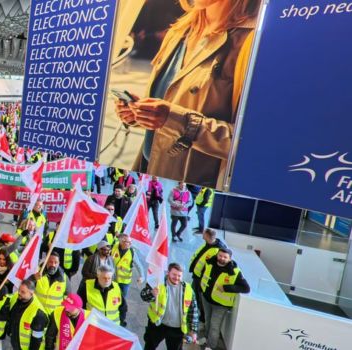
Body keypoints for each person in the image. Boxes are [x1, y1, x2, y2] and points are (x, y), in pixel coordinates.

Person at [112, 0, 259, 188]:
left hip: (192, 186)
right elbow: (170, 104)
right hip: (149, 169)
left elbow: (249, 144)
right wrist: (140, 113)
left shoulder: (251, 42)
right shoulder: (180, 31)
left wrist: (175, 120)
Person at [200, 248, 250, 350]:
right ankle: (205, 339)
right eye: (220, 256)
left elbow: (246, 288)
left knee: (214, 327)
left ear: (230, 259)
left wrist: (226, 288)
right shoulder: (210, 263)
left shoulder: (235, 272)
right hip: (206, 299)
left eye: (225, 257)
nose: (222, 258)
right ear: (217, 255)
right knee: (207, 321)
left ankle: (210, 346)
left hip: (220, 305)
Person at [141, 263, 199, 350]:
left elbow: (193, 311)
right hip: (158, 325)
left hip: (177, 329)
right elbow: (143, 296)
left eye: (179, 275)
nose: (176, 278)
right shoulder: (158, 283)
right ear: (168, 273)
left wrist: (193, 331)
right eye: (174, 274)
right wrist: (152, 293)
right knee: (149, 347)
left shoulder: (188, 290)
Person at [189, 228, 227, 323]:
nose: (202, 235)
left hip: (202, 279)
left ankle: (202, 318)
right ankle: (195, 313)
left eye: (204, 234)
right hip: (197, 276)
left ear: (207, 236)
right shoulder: (208, 244)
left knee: (200, 298)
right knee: (194, 296)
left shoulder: (217, 250)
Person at [112, 233, 145, 326]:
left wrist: (142, 276)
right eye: (126, 242)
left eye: (130, 242)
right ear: (121, 241)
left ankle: (120, 319)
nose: (128, 244)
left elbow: (139, 265)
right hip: (113, 280)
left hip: (124, 282)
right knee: (112, 298)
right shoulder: (114, 247)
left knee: (121, 301)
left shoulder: (132, 252)